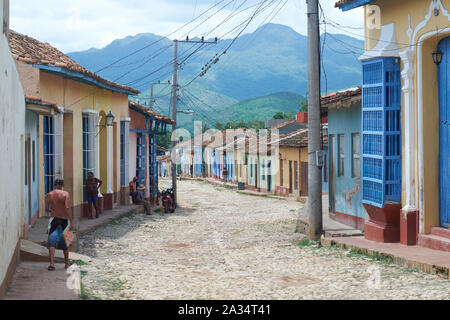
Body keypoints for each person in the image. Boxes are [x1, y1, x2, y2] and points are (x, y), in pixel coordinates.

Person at [45, 179, 73, 271]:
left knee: (51, 241)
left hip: (54, 219)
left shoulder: (49, 194)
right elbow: (67, 208)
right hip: (64, 220)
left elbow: (47, 209)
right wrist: (71, 221)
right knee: (65, 241)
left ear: (54, 185)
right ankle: (67, 263)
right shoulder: (65, 194)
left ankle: (52, 264)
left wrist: (53, 210)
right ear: (62, 185)